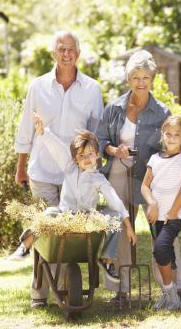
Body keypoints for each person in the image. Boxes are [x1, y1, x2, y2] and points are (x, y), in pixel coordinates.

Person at [96, 49, 181, 304]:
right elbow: (100, 139)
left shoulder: (161, 111)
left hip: (152, 177)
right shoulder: (114, 108)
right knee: (121, 229)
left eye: (145, 77)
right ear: (128, 79)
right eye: (135, 77)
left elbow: (172, 140)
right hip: (120, 171)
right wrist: (113, 149)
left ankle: (178, 287)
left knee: (163, 227)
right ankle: (121, 290)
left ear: (152, 79)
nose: (141, 82)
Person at [12, 30, 104, 307]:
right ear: (54, 53)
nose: (66, 54)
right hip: (42, 172)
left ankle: (65, 289)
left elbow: (97, 133)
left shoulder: (91, 89)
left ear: (78, 52)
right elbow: (26, 130)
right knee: (45, 236)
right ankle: (39, 294)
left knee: (68, 237)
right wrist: (21, 167)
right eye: (61, 49)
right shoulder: (38, 87)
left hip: (75, 176)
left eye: (71, 49)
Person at [29, 115, 136, 284]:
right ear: (75, 159)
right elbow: (58, 148)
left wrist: (128, 225)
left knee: (114, 217)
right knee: (49, 212)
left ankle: (107, 261)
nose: (86, 159)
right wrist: (43, 132)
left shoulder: (98, 179)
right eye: (81, 155)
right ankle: (30, 236)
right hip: (65, 215)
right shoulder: (70, 167)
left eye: (90, 154)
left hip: (87, 218)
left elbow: (114, 200)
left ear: (97, 154)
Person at [141, 115, 181, 310]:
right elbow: (145, 186)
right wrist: (151, 203)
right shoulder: (155, 159)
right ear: (162, 135)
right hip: (154, 216)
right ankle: (170, 295)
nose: (172, 138)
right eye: (168, 134)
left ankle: (171, 294)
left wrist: (172, 212)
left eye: (177, 135)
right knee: (167, 256)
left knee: (161, 249)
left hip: (172, 217)